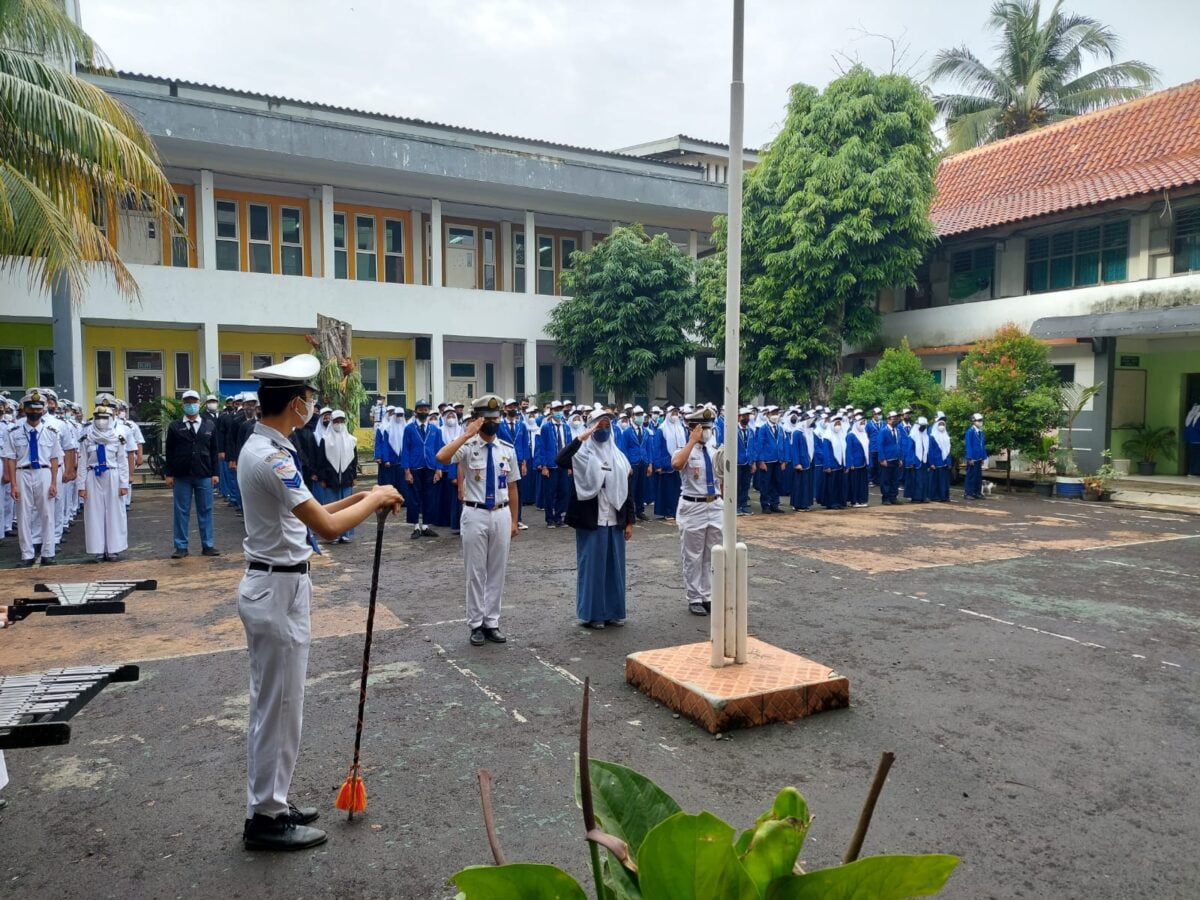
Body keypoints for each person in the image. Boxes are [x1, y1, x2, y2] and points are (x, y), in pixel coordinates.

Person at [236, 354, 401, 851]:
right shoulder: (273, 458)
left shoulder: (267, 448)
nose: (311, 404)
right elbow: (326, 530)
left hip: (279, 584)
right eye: (307, 397)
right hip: (276, 589)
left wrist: (363, 495)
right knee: (278, 707)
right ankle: (265, 817)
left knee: (280, 706)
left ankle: (274, 800)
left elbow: (311, 515)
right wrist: (373, 502)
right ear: (294, 405)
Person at [436, 394, 520, 646]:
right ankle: (475, 624)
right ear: (478, 420)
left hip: (501, 513)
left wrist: (514, 520)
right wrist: (466, 434)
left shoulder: (507, 450)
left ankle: (491, 621)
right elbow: (441, 457)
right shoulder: (467, 447)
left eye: (497, 418)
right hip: (475, 513)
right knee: (475, 571)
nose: (493, 422)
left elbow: (514, 487)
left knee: (497, 570)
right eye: (488, 418)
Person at [558, 407, 635, 629]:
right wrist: (580, 438)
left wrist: (629, 521)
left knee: (614, 568)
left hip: (615, 521)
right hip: (592, 521)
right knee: (592, 568)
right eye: (598, 426)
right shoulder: (582, 454)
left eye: (606, 426)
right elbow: (561, 459)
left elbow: (627, 490)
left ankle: (613, 612)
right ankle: (593, 615)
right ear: (590, 428)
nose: (602, 430)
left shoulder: (618, 457)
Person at [672, 406, 723, 617]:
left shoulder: (715, 450)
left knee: (712, 554)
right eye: (703, 428)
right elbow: (676, 464)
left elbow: (723, 478)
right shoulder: (684, 450)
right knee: (693, 555)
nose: (707, 431)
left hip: (715, 505)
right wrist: (692, 441)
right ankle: (694, 597)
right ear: (692, 429)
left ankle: (708, 595)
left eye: (709, 427)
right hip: (693, 506)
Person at [2, 391, 61, 566]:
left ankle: (48, 553)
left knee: (47, 514)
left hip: (43, 472)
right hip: (23, 472)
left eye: (37, 408)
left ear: (43, 410)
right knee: (23, 515)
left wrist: (53, 482)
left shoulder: (51, 432)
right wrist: (13, 484)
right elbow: (11, 459)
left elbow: (55, 458)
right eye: (30, 408)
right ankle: (27, 554)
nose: (34, 412)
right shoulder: (13, 432)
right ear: (24, 410)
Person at [164, 389, 220, 559]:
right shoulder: (175, 426)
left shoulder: (209, 425)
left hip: (204, 473)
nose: (191, 405)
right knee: (181, 510)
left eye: (193, 402)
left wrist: (215, 473)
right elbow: (170, 451)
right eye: (187, 402)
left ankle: (208, 545)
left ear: (199, 403)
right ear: (183, 405)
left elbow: (214, 451)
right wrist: (168, 473)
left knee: (206, 509)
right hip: (182, 475)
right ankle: (181, 546)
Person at [78, 403, 129, 562]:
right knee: (94, 513)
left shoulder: (118, 437)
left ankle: (114, 549)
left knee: (115, 513)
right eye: (98, 418)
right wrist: (81, 486)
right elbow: (82, 463)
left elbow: (122, 462)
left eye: (105, 418)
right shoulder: (87, 438)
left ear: (111, 418)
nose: (101, 421)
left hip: (112, 475)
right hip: (93, 476)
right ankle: (98, 549)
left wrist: (123, 484)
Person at [401, 399, 443, 538]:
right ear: (416, 411)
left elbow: (439, 449)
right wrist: (406, 470)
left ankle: (426, 526)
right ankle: (416, 526)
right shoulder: (409, 428)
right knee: (414, 497)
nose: (423, 412)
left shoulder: (435, 429)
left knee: (429, 497)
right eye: (421, 409)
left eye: (426, 409)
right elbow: (405, 449)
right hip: (415, 466)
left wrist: (439, 468)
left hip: (430, 466)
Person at [315, 410, 358, 543]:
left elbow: (354, 460)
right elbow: (320, 460)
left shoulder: (351, 440)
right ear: (332, 422)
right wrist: (322, 478)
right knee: (332, 507)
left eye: (341, 421)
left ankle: (345, 534)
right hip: (330, 479)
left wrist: (354, 477)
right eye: (336, 421)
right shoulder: (325, 440)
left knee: (347, 507)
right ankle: (332, 534)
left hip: (346, 478)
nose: (339, 424)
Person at [537, 401, 572, 527]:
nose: (558, 412)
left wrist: (569, 465)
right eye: (556, 410)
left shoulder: (566, 427)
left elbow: (569, 447)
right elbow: (541, 446)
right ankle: (549, 518)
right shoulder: (546, 427)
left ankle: (558, 516)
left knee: (564, 491)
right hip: (551, 465)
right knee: (550, 493)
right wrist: (543, 465)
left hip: (563, 465)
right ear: (551, 411)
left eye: (560, 409)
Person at [618, 405, 653, 521]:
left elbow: (649, 448)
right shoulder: (627, 432)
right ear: (632, 417)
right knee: (631, 489)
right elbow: (624, 449)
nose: (640, 417)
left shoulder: (646, 432)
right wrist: (627, 465)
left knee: (641, 488)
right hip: (632, 462)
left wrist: (650, 464)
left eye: (641, 415)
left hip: (643, 461)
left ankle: (640, 510)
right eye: (637, 415)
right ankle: (630, 512)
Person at [753, 407, 786, 513]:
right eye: (773, 413)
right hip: (767, 461)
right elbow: (760, 445)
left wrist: (783, 460)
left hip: (778, 460)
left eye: (776, 413)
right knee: (765, 483)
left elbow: (783, 444)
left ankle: (774, 504)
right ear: (767, 415)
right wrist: (761, 461)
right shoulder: (763, 429)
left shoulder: (780, 428)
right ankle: (765, 505)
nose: (775, 415)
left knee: (777, 482)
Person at [790, 412, 815, 511]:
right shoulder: (797, 432)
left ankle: (805, 503)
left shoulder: (808, 431)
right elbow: (795, 449)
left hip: (808, 461)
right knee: (799, 484)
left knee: (807, 483)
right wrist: (797, 463)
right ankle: (798, 504)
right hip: (800, 462)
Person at [733, 407, 756, 515]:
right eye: (744, 416)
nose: (746, 418)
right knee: (737, 485)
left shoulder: (751, 431)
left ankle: (743, 505)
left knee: (745, 485)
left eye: (747, 416)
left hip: (748, 462)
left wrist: (753, 462)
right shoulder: (734, 430)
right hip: (737, 462)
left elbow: (752, 447)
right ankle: (736, 506)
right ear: (739, 417)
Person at [878, 410, 903, 505]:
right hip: (887, 459)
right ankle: (886, 498)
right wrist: (882, 458)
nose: (896, 419)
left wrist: (900, 458)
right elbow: (880, 445)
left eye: (896, 418)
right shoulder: (883, 431)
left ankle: (893, 497)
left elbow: (899, 444)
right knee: (886, 479)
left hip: (896, 458)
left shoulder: (898, 430)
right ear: (888, 419)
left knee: (895, 479)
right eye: (894, 418)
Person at [846, 416, 870, 508]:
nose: (863, 425)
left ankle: (862, 499)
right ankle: (854, 500)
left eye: (864, 423)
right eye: (861, 423)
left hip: (863, 462)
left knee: (863, 483)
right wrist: (850, 463)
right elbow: (849, 450)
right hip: (854, 464)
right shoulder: (851, 435)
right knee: (854, 482)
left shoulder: (864, 434)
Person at [964, 413, 987, 500]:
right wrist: (970, 458)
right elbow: (969, 445)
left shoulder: (981, 432)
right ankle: (968, 493)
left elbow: (982, 445)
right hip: (972, 458)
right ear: (973, 422)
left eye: (981, 420)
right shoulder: (970, 432)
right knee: (971, 476)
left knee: (978, 476)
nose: (981, 422)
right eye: (979, 420)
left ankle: (977, 492)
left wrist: (983, 457)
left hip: (978, 458)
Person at [928, 416, 952, 502]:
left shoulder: (946, 436)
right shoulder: (932, 436)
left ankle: (944, 496)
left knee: (944, 481)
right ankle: (935, 496)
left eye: (943, 424)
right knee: (935, 481)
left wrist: (949, 462)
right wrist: (931, 463)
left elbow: (948, 450)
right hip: (936, 462)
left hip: (944, 462)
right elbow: (930, 450)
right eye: (940, 424)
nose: (942, 426)